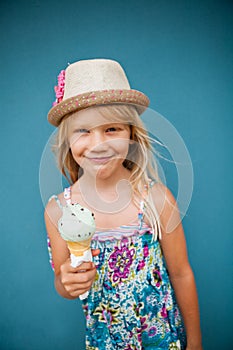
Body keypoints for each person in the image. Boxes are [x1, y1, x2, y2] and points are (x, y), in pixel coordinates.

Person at [44, 58, 202, 350]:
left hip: (163, 340)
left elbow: (181, 273)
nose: (98, 144)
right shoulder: (58, 210)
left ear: (131, 134)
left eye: (112, 129)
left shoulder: (155, 199)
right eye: (83, 131)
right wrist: (66, 283)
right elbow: (63, 280)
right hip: (105, 342)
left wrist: (195, 343)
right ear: (66, 138)